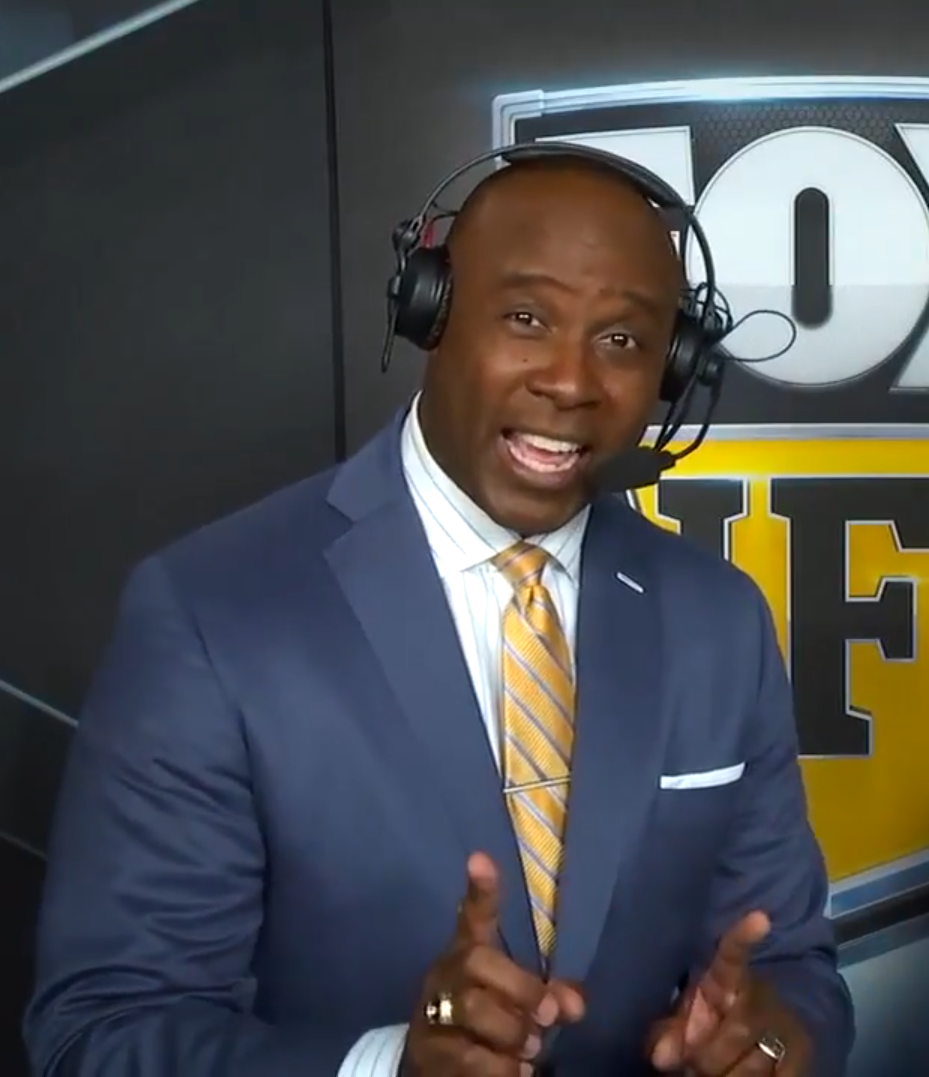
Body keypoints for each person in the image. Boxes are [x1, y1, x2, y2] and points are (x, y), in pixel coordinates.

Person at [23, 152, 854, 1077]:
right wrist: (390, 1065)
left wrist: (771, 1040)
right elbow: (104, 1029)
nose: (570, 381)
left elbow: (791, 968)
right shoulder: (209, 613)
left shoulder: (717, 620)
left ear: (674, 368)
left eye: (622, 339)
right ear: (431, 311)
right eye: (526, 318)